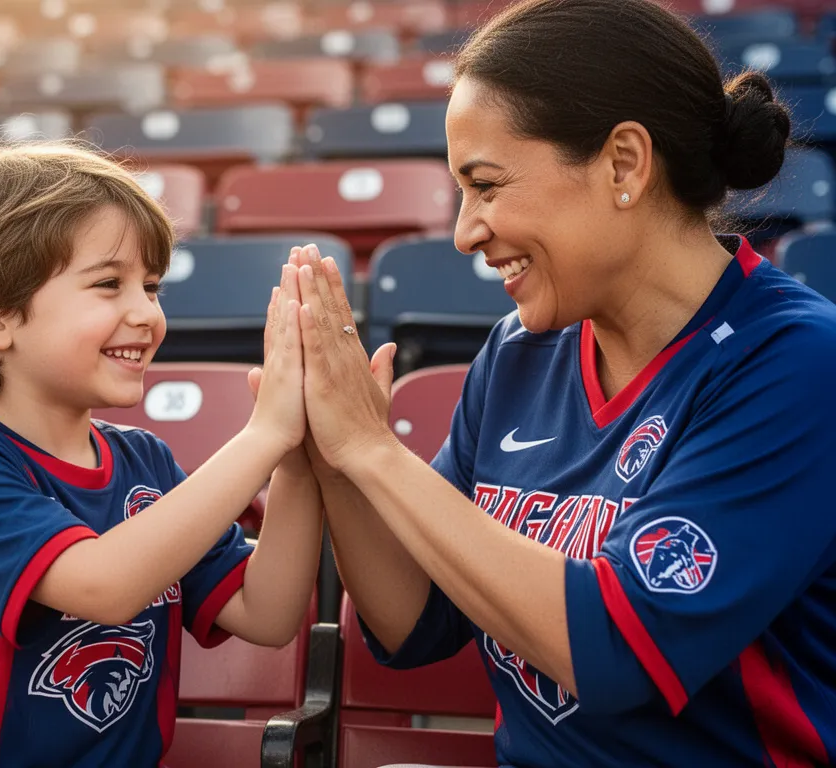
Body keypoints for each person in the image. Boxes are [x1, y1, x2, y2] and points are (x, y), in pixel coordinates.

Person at [284, 0, 836, 765]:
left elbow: (617, 651)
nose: (464, 231)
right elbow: (413, 623)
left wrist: (377, 453)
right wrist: (339, 460)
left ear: (623, 164)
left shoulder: (796, 363)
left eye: (486, 185)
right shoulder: (519, 352)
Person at [0, 141, 323, 766]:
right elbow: (106, 585)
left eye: (151, 286)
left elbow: (268, 613)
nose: (146, 313)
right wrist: (263, 433)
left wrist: (297, 457)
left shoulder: (147, 464)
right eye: (109, 284)